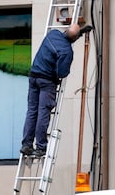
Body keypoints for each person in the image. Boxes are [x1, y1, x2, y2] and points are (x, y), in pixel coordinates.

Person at [20, 23, 81, 157]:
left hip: (33, 77)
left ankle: (26, 145)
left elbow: (65, 38)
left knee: (32, 111)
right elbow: (61, 73)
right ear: (75, 38)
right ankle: (41, 147)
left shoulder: (52, 34)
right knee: (43, 112)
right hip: (47, 82)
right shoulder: (66, 51)